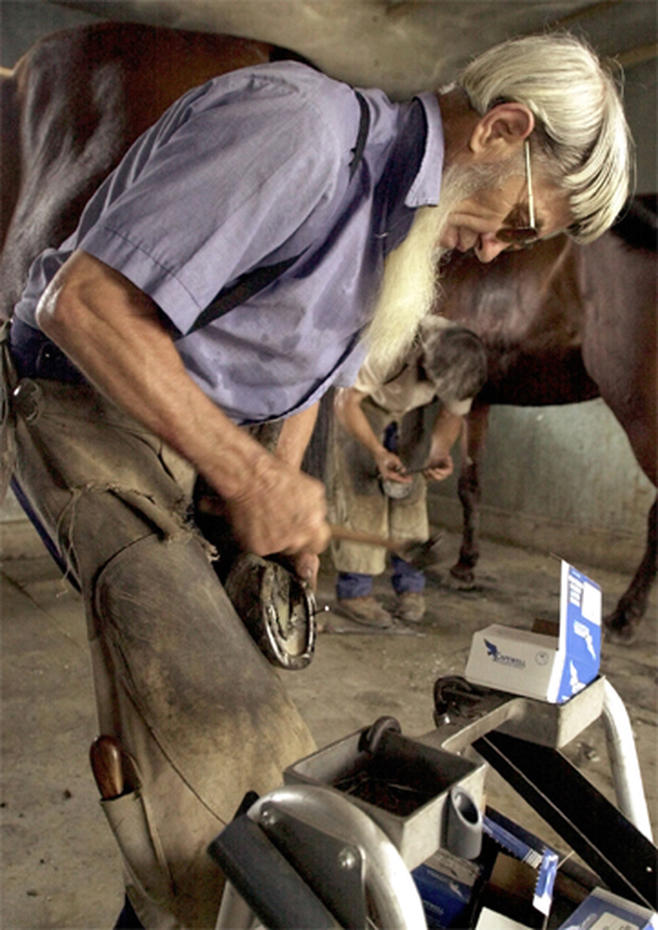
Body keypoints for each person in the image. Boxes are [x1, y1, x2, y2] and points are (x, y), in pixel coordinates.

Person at [2, 30, 632, 929]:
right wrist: (248, 474)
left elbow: (309, 372)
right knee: (224, 747)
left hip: (199, 427)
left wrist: (286, 489)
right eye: (525, 222)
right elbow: (81, 306)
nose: (498, 252)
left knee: (227, 732)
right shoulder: (297, 129)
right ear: (500, 130)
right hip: (85, 405)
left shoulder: (397, 225)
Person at [331, 318, 487, 626]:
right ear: (426, 366)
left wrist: (438, 452)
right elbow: (345, 401)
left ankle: (410, 588)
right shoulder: (390, 345)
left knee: (411, 497)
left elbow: (452, 413)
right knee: (362, 495)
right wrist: (378, 452)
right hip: (364, 406)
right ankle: (355, 593)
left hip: (410, 411)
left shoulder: (464, 361)